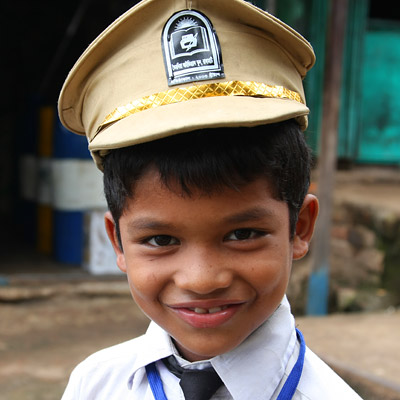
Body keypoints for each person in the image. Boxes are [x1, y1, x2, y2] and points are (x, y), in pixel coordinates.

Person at [58, 0, 362, 398]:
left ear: (299, 226)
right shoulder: (94, 385)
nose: (201, 279)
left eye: (243, 234)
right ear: (117, 241)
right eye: (161, 240)